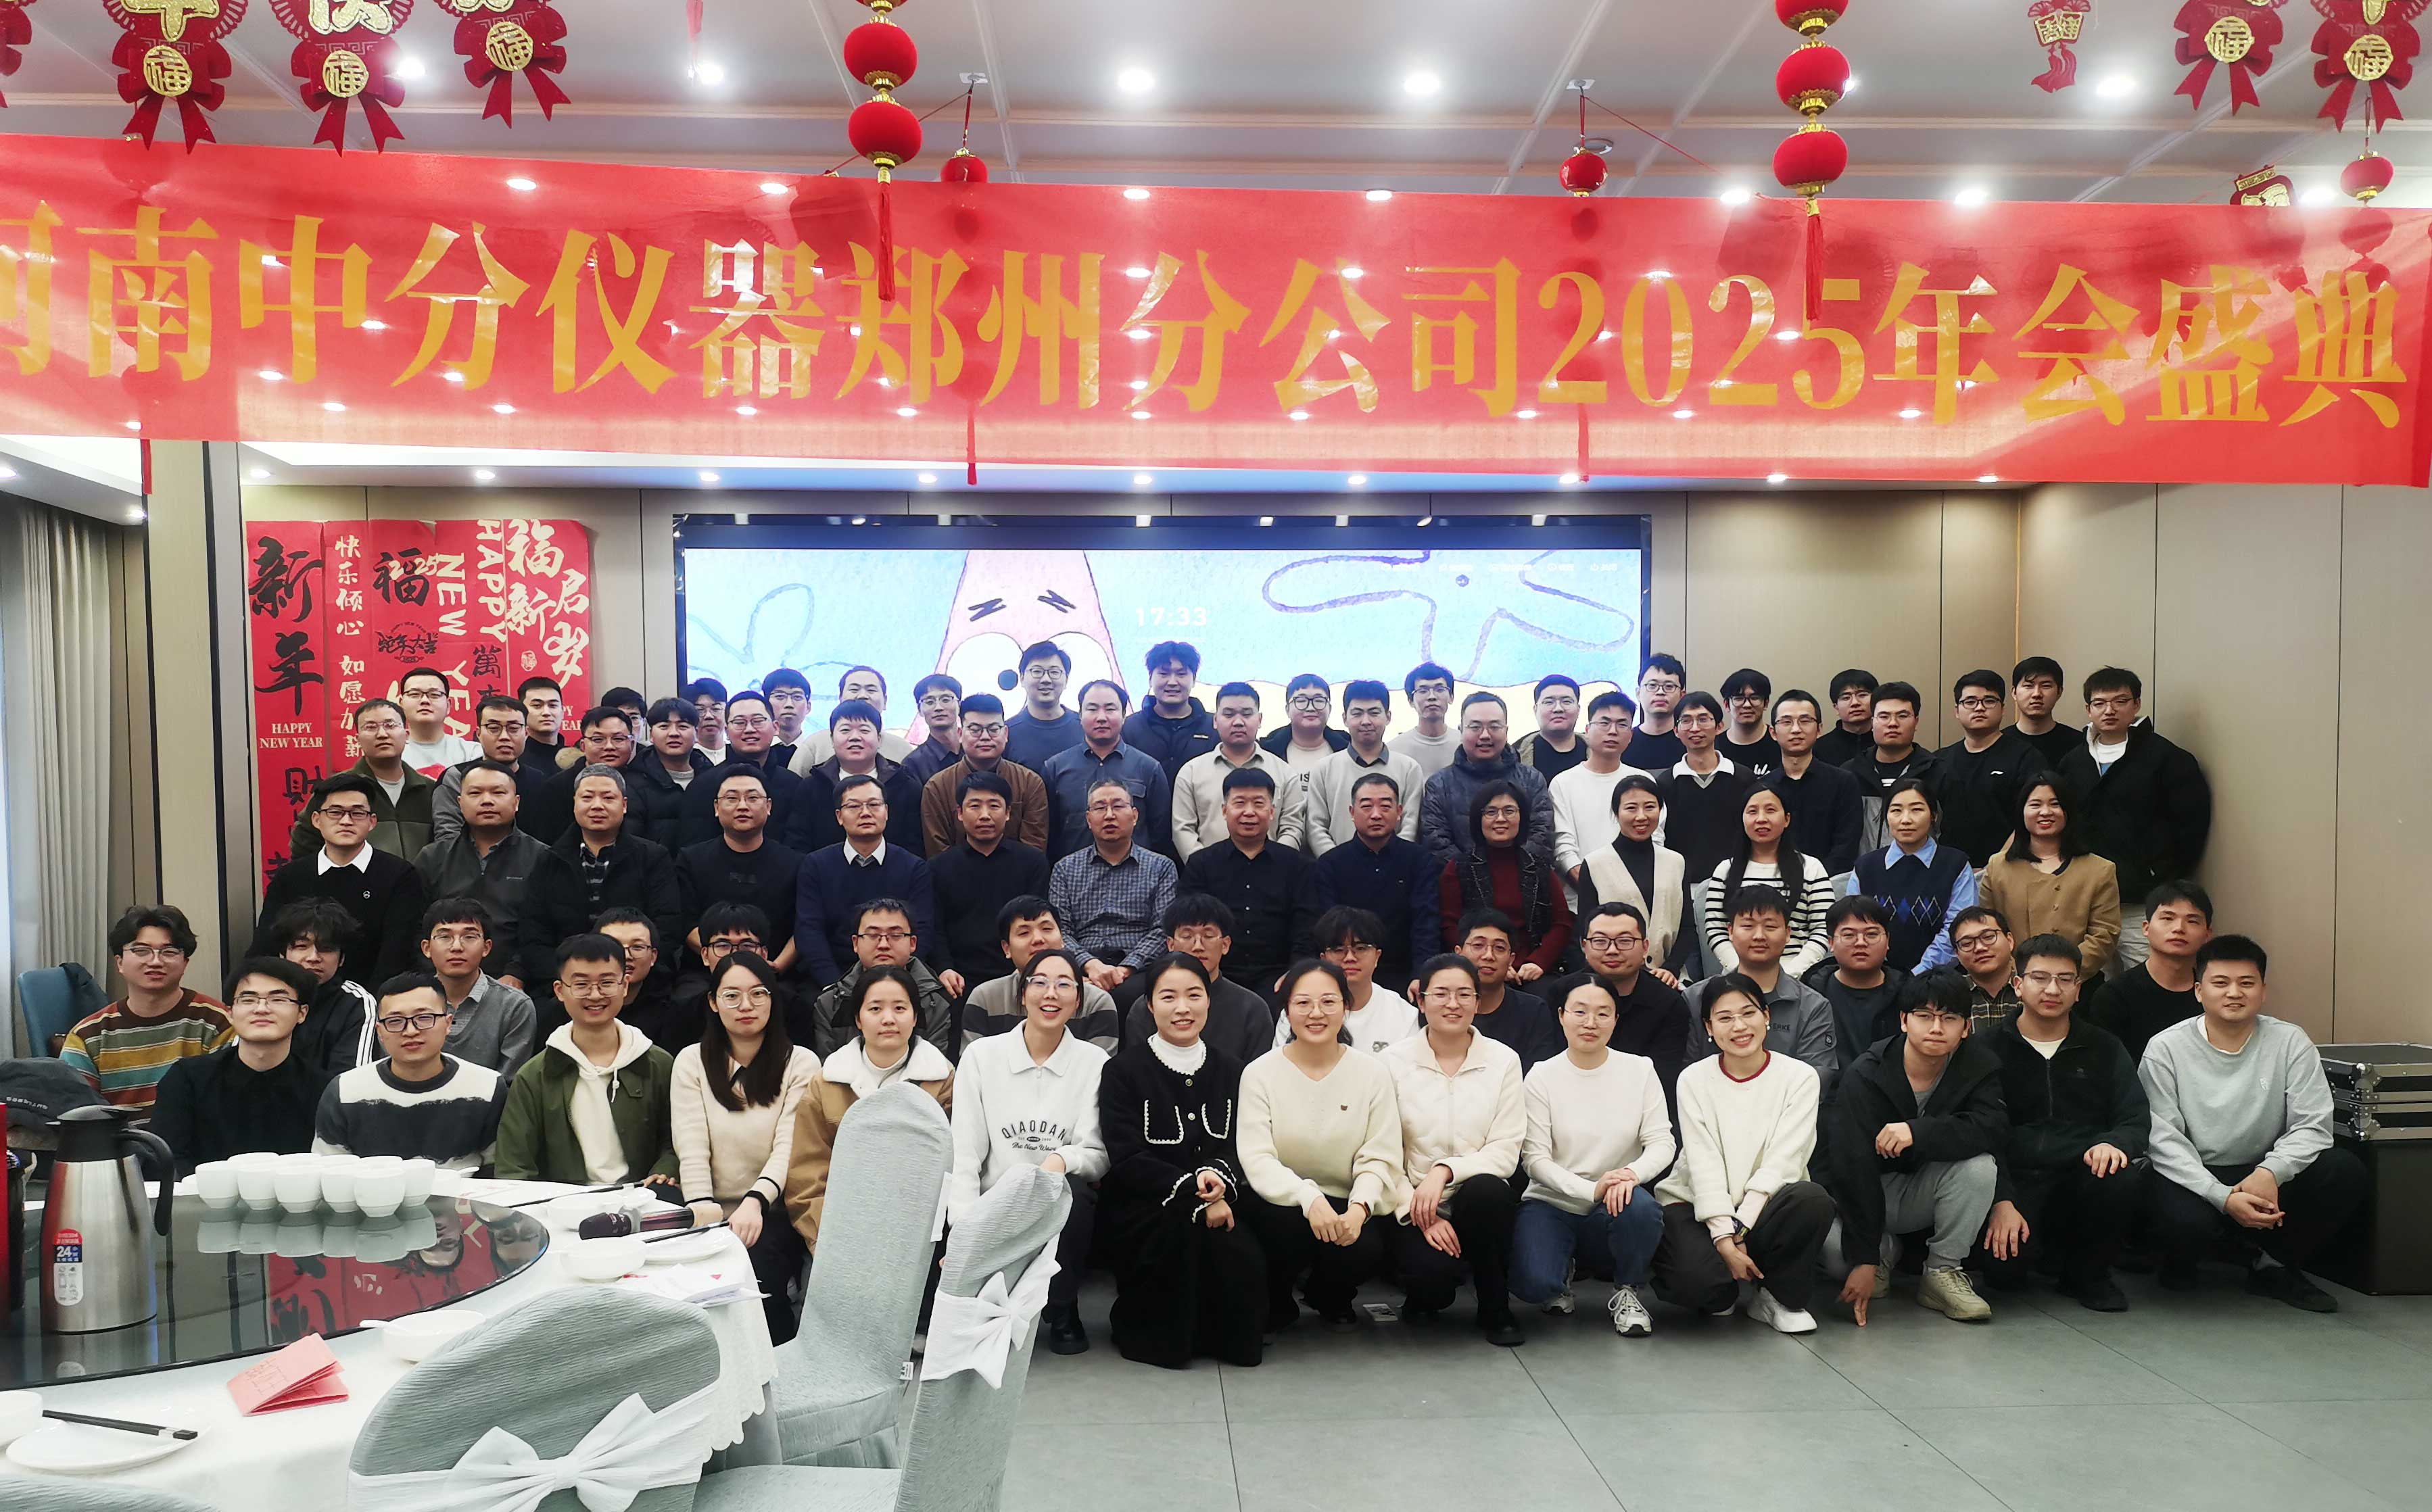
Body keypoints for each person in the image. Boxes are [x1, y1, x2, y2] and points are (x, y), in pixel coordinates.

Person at [2141, 935, 2366, 1312]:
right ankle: (2190, 1257)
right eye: (2220, 983)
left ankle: (2273, 1266)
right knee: (2182, 1220)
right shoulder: (2165, 1048)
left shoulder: (2290, 1041)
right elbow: (2162, 1137)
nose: (2234, 993)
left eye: (2247, 983)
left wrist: (2270, 1172)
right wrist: (2221, 1196)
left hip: (2262, 1171)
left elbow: (2313, 1124)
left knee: (2343, 1170)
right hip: (2195, 1172)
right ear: (2198, 991)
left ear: (2263, 991)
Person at [1096, 951, 1268, 1369]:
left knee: (1238, 1248)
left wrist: (1216, 1186)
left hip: (1223, 1194)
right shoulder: (1122, 1071)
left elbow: (1240, 1143)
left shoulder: (1233, 1070)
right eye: (1168, 997)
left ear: (1209, 1000)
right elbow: (1126, 1155)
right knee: (1179, 1239)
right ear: (1149, 1005)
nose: (1183, 1008)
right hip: (1146, 1203)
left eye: (1194, 995)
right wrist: (1193, 1192)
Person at [1650, 974, 1834, 1334]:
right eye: (1725, 1018)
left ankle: (1777, 1297)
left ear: (1766, 1016)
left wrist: (1740, 1227)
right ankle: (1721, 1287)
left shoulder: (1800, 1077)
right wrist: (1724, 1237)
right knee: (1704, 1288)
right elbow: (1703, 1164)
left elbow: (1784, 1161)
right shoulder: (1693, 1079)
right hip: (1696, 1202)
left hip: (1767, 1204)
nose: (1739, 1026)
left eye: (1748, 1013)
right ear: (1709, 1028)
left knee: (1812, 1199)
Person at [948, 946, 1110, 1355]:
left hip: (1055, 1192)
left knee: (1080, 1197)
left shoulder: (1094, 1062)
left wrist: (1060, 1160)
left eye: (1064, 985)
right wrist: (960, 1231)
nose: (1050, 994)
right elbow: (965, 1152)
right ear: (1023, 995)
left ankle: (1063, 1306)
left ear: (1079, 1001)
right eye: (1039, 983)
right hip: (994, 1195)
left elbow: (1096, 1153)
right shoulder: (981, 1056)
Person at [1982, 935, 2147, 1312]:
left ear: (2078, 989)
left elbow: (2135, 1117)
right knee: (2004, 1276)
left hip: (2082, 1175)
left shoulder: (2105, 1047)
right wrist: (2001, 1198)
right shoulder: (1987, 1049)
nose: (2053, 990)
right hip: (2015, 1180)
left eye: (2065, 979)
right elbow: (1977, 1131)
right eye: (2040, 978)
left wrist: (2114, 1143)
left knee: (2120, 1176)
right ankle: (2043, 1255)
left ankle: (2089, 1276)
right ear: (2018, 984)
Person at [1826, 974, 2004, 1325]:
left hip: (1922, 1189)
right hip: (1867, 1192)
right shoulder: (1867, 1072)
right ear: (1904, 1021)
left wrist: (1918, 1132)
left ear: (1966, 1028)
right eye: (1924, 1016)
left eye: (1949, 1018)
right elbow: (1852, 1166)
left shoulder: (1978, 1064)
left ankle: (1942, 1271)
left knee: (1981, 1167)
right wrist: (1866, 1258)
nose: (1936, 1028)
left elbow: (1992, 1127)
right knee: (1839, 1262)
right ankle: (1883, 1252)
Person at [1239, 958, 1405, 1331]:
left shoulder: (1372, 1073)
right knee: (1278, 1228)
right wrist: (1309, 1198)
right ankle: (1277, 1297)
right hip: (1282, 1200)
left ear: (1346, 1008)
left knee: (1365, 1246)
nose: (1316, 1013)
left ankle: (1330, 1294)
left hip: (1346, 1197)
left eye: (1329, 1002)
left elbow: (1380, 1154)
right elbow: (1257, 1157)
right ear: (1287, 1011)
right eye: (1303, 1003)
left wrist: (1360, 1208)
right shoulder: (1259, 1073)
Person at [1511, 977, 1675, 1336]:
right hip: (1552, 1202)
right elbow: (1534, 1159)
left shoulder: (1640, 1070)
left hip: (1618, 1198)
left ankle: (1628, 1289)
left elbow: (1662, 1141)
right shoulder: (1541, 1076)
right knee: (1534, 1285)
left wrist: (1630, 1176)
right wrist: (1591, 1190)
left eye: (1603, 1013)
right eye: (1580, 1012)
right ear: (1561, 1016)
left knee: (1642, 1210)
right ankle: (1560, 1272)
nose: (1591, 1023)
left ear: (1616, 1019)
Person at [671, 950, 819, 1342]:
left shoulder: (801, 1063)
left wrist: (755, 1201)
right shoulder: (690, 1061)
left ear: (773, 999)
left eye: (758, 994)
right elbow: (691, 1141)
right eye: (732, 996)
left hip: (772, 1209)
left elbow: (789, 1146)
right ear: (713, 1002)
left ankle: (776, 1360)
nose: (746, 1006)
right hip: (707, 1204)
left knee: (757, 1282)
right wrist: (700, 1204)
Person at [1381, 954, 1527, 1344]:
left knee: (1488, 1191)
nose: (1453, 1004)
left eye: (1464, 994)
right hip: (1413, 1202)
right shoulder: (1392, 1062)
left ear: (1478, 1003)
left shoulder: (1503, 1060)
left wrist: (1444, 1171)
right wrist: (1418, 1211)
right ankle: (1424, 1295)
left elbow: (1506, 1149)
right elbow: (1381, 1151)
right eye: (1441, 994)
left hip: (1476, 1198)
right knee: (1431, 1279)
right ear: (1420, 1000)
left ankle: (1495, 1305)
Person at [786, 963, 957, 1257]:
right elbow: (808, 1174)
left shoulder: (942, 1080)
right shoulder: (827, 1082)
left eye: (900, 1008)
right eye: (875, 1009)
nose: (888, 1019)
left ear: (915, 1017)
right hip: (841, 1230)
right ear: (858, 1019)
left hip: (918, 1232)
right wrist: (828, 1239)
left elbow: (951, 1170)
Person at [494, 934, 682, 1190]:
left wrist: (664, 1171)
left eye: (607, 983)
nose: (595, 995)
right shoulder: (535, 1075)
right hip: (563, 1206)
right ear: (559, 991)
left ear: (624, 986)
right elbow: (514, 1167)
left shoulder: (658, 1064)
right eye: (581, 984)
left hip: (644, 1200)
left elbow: (678, 1140)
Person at [2055, 668, 2211, 973]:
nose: (2109, 710)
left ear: (2136, 705)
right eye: (2100, 703)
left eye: (2120, 701)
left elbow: (2191, 827)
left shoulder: (2167, 758)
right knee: (2087, 983)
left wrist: (2159, 874)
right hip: (2084, 901)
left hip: (2141, 901)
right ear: (2088, 709)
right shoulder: (2072, 762)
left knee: (2147, 979)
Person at [313, 971, 509, 1170]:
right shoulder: (345, 1090)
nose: (411, 1031)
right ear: (380, 1032)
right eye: (395, 1021)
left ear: (448, 1023)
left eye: (424, 1018)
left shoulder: (488, 1087)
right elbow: (330, 1172)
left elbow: (500, 1172)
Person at [150, 958, 327, 1175]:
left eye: (278, 999)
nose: (261, 1009)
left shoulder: (325, 1089)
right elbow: (168, 1161)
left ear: (302, 1013)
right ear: (230, 1012)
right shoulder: (187, 1079)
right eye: (248, 999)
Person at [517, 765, 684, 994]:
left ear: (624, 805)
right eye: (587, 798)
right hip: (564, 986)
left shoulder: (653, 857)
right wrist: (572, 978)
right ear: (574, 803)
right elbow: (534, 934)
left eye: (608, 798)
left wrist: (623, 975)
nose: (597, 805)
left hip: (640, 986)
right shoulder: (549, 860)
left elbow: (667, 926)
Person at [257, 773, 430, 990]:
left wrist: (369, 1003)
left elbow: (398, 953)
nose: (346, 821)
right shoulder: (290, 877)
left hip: (374, 998)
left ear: (372, 822)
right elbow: (266, 946)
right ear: (316, 820)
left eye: (357, 813)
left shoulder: (400, 875)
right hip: (299, 995)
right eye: (335, 812)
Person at [61, 905, 232, 1111]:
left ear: (185, 963)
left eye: (169, 951)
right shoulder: (87, 1036)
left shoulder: (217, 1023)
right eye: (141, 951)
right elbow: (76, 1114)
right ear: (120, 963)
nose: (156, 961)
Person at [1683, 887, 1839, 1090]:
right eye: (1748, 926)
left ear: (1788, 933)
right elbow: (1686, 1075)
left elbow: (1815, 1081)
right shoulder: (1696, 998)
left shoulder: (1812, 1006)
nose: (1759, 936)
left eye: (1770, 926)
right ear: (1730, 931)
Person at [1183, 767, 1320, 995]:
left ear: (1272, 812)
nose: (1249, 812)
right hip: (1215, 974)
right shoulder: (1201, 865)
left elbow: (1306, 926)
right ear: (1225, 810)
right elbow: (1189, 925)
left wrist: (1296, 972)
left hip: (1278, 975)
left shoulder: (1299, 866)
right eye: (1239, 803)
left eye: (1258, 804)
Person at [794, 773, 938, 990]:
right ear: (839, 816)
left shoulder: (914, 867)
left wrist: (896, 981)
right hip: (834, 977)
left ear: (886, 812)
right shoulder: (815, 865)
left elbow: (923, 931)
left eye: (874, 805)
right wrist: (834, 986)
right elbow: (809, 930)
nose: (865, 813)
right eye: (854, 806)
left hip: (900, 977)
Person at [1542, 903, 1693, 1107]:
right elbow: (1551, 1067)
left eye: (1625, 941)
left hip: (1639, 1109)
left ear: (1645, 947)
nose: (1612, 950)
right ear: (1584, 947)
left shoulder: (1668, 1003)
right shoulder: (1561, 994)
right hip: (1566, 1104)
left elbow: (1662, 1082)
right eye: (1600, 941)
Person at [1979, 776, 2122, 977]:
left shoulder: (2100, 869)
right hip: (2012, 980)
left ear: (2068, 811)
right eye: (2035, 805)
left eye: (2055, 804)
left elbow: (2105, 934)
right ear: (2022, 812)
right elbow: (1987, 928)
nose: (2045, 812)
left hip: (2075, 981)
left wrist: (2061, 974)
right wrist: (2019, 974)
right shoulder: (1998, 866)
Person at [1048, 778, 1179, 993]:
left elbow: (1162, 930)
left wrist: (1125, 969)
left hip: (1140, 969)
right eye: (1100, 808)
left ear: (1134, 816)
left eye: (1118, 806)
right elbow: (1059, 931)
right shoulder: (1065, 869)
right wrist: (1090, 965)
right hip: (1081, 967)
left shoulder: (1161, 867)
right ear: (1088, 819)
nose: (1109, 815)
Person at [415, 759, 548, 971]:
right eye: (475, 793)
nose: (487, 801)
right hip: (442, 977)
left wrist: (518, 973)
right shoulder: (433, 857)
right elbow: (415, 929)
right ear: (460, 803)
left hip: (517, 980)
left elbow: (546, 931)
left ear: (516, 802)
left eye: (498, 793)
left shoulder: (542, 857)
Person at [926, 769, 1051, 992]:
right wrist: (944, 968)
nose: (985, 815)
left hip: (1020, 973)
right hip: (958, 978)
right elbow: (936, 928)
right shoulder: (938, 867)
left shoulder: (1033, 862)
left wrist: (1026, 968)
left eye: (994, 806)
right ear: (960, 813)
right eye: (974, 806)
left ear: (1008, 813)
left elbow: (1037, 925)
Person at [1308, 772, 1438, 986]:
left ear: (1399, 812)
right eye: (1367, 806)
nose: (1376, 815)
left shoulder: (1420, 860)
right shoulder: (1330, 863)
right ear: (1352, 812)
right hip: (1347, 972)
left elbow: (1426, 922)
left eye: (1385, 807)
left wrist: (1421, 974)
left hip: (1405, 972)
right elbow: (1327, 929)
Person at [1120, 895, 1284, 1064]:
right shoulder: (1146, 1007)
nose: (1198, 946)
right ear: (1171, 945)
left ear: (1225, 945)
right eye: (1187, 936)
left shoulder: (1252, 1009)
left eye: (1208, 935)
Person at [675, 768, 805, 975]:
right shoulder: (691, 860)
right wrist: (725, 961)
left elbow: (804, 926)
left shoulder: (796, 864)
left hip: (776, 972)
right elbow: (685, 924)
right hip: (705, 972)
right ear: (716, 807)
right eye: (732, 798)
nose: (743, 806)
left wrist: (778, 965)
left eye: (752, 798)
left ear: (768, 806)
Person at [1702, 781, 1835, 978]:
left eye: (1770, 810)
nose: (1761, 819)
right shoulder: (1726, 870)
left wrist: (1789, 975)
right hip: (1737, 976)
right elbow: (1716, 928)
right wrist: (1741, 971)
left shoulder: (1811, 868)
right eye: (1752, 812)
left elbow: (1823, 928)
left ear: (1787, 819)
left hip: (1797, 976)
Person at [1844, 779, 1977, 974]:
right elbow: (1855, 926)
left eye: (1916, 810)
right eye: (1896, 811)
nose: (1905, 820)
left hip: (1940, 979)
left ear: (1934, 816)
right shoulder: (1866, 867)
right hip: (1875, 977)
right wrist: (1884, 975)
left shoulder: (1955, 865)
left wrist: (1920, 972)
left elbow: (1959, 927)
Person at [1441, 781, 1571, 979]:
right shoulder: (1459, 867)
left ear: (1522, 817)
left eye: (1509, 811)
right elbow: (1449, 925)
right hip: (1477, 970)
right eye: (1491, 812)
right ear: (1478, 819)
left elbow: (1562, 923)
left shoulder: (1539, 868)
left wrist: (1538, 962)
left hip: (1531, 971)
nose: (1501, 819)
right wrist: (1488, 964)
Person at [961, 895, 1125, 1049]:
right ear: (1007, 948)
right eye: (1024, 933)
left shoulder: (1095, 1002)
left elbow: (1100, 1067)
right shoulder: (985, 999)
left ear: (1063, 939)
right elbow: (972, 1064)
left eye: (1047, 929)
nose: (1038, 939)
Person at [1573, 775, 1695, 976]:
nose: (1641, 816)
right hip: (1611, 978)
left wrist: (1670, 970)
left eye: (1650, 807)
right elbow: (1585, 931)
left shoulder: (1676, 862)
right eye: (1631, 808)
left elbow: (1687, 928)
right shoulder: (1595, 864)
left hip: (1669, 978)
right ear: (1616, 812)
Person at [1042, 680, 1174, 862]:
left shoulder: (1148, 768)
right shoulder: (1055, 768)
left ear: (1124, 715)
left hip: (1137, 874)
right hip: (1074, 875)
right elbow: (1049, 833)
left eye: (1110, 709)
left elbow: (1161, 835)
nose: (1101, 717)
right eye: (1092, 709)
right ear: (1080, 715)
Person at [1420, 691, 1554, 871]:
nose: (1485, 735)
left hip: (1524, 880)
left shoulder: (1531, 779)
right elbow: (1436, 844)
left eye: (1494, 727)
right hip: (1460, 882)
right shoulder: (1439, 784)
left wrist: (1510, 873)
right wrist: (1476, 877)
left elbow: (1542, 837)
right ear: (1461, 730)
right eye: (1475, 727)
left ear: (1506, 731)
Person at [1548, 690, 1659, 908]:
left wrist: (1630, 889)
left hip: (1638, 899)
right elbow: (1563, 847)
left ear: (1631, 734)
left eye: (1622, 724)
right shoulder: (1563, 782)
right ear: (1587, 730)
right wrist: (1595, 888)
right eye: (1604, 723)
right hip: (1580, 903)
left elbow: (1655, 839)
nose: (1613, 731)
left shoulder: (1643, 781)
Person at [809, 898, 959, 1056]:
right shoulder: (831, 1003)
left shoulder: (938, 1002)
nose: (883, 945)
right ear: (856, 943)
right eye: (873, 935)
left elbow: (939, 1066)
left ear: (912, 943)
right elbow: (828, 1066)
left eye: (895, 935)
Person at [1172, 683, 1307, 860]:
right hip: (1210, 873)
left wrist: (1274, 866)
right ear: (1215, 721)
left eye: (1246, 714)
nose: (1238, 722)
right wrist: (1206, 869)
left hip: (1272, 872)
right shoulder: (1190, 773)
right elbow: (1183, 829)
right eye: (1229, 714)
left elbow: (1293, 827)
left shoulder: (1284, 773)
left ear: (1260, 720)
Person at [1929, 669, 2048, 868]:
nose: (1979, 708)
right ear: (1957, 711)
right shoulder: (1939, 760)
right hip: (1948, 870)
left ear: (2003, 709)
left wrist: (1994, 868)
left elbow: (2032, 818)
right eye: (1970, 702)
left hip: (2011, 868)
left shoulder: (2026, 757)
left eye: (1989, 701)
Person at [2088, 880, 2213, 1060]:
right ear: (2146, 928)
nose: (2179, 928)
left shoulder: (2214, 995)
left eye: (2192, 921)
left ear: (2207, 935)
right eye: (2168, 918)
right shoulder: (2113, 996)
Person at [297, 702, 439, 860]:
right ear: (357, 739)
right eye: (371, 727)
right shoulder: (336, 789)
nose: (382, 734)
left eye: (390, 725)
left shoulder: (431, 790)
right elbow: (304, 844)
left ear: (406, 735)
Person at [1803, 896, 1926, 1073]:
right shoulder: (1810, 994)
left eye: (1872, 934)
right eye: (1849, 935)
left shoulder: (1911, 995)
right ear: (1831, 943)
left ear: (1888, 941)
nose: (1861, 942)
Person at [1303, 680, 1425, 857]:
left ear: (1388, 717)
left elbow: (1410, 826)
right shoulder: (1323, 769)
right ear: (1345, 718)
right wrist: (1336, 864)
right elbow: (1316, 827)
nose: (1366, 721)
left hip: (1396, 868)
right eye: (1357, 714)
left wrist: (1392, 864)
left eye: (1374, 713)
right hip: (1337, 869)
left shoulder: (1409, 769)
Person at [918, 693, 1050, 856]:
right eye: (975, 730)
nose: (986, 737)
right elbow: (938, 852)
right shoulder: (937, 787)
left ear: (1006, 734)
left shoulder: (1030, 783)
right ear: (960, 734)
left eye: (994, 730)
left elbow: (1034, 850)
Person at [418, 899, 537, 1079]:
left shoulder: (514, 1006)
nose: (457, 947)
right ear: (427, 948)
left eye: (469, 937)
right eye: (445, 937)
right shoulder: (407, 1004)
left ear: (486, 947)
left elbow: (509, 1083)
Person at [678, 692, 809, 850]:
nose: (749, 729)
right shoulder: (703, 786)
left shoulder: (794, 785)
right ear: (726, 731)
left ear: (775, 727)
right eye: (739, 722)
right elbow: (694, 850)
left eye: (758, 721)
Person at [263, 899, 379, 1075]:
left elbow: (351, 1081)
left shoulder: (356, 1002)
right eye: (302, 946)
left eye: (326, 948)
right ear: (282, 955)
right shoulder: (262, 997)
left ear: (341, 959)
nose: (313, 958)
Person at [794, 700, 925, 854]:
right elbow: (798, 844)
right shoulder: (811, 788)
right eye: (845, 730)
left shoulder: (906, 787)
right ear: (832, 739)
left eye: (864, 730)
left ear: (879, 739)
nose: (855, 737)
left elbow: (916, 847)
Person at [1655, 691, 1754, 885]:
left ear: (1719, 726)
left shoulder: (1744, 778)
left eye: (1703, 719)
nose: (1695, 728)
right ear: (1676, 731)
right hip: (1680, 884)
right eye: (1686, 721)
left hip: (1736, 883)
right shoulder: (1665, 783)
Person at [429, 695, 551, 849]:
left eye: (514, 729)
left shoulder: (539, 780)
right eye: (494, 728)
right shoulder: (456, 777)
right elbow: (447, 840)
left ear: (526, 733)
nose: (504, 737)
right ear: (478, 733)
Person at [1765, 689, 1862, 874]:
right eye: (1786, 722)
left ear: (1819, 729)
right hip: (1773, 883)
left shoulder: (1844, 782)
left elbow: (1847, 845)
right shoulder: (1763, 787)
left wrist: (1816, 881)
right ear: (1773, 732)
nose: (1796, 729)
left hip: (1830, 883)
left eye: (1805, 721)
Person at [1452, 910, 1563, 1069]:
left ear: (1511, 960)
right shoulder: (1443, 1007)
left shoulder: (1533, 1011)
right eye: (1478, 945)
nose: (1488, 956)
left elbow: (1537, 1074)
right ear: (1459, 953)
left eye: (1499, 948)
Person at [522, 706, 639, 846]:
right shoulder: (556, 788)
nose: (609, 746)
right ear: (583, 746)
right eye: (598, 739)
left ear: (632, 744)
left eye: (618, 739)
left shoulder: (644, 783)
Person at [1842, 680, 1934, 854]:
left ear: (1916, 721)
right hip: (1861, 869)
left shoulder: (1936, 772)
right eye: (1884, 716)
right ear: (1872, 722)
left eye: (1902, 716)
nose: (1893, 723)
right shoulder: (1849, 774)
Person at [1122, 639, 1219, 781]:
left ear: (1194, 680)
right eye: (1164, 674)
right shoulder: (1129, 728)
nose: (1172, 682)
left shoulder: (1214, 727)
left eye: (1181, 674)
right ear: (1150, 679)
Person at [787, 666, 917, 771]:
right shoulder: (815, 745)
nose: (862, 696)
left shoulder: (902, 749)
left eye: (871, 690)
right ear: (840, 698)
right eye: (854, 690)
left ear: (885, 701)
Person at [625, 698, 712, 852]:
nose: (674, 733)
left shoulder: (712, 778)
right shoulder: (633, 782)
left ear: (697, 734)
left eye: (683, 726)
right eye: (664, 726)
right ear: (651, 735)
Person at [594, 909, 684, 1053]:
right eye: (614, 946)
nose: (626, 956)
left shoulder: (675, 1011)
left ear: (653, 957)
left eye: (637, 947)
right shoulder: (571, 1005)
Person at [1262, 672, 1349, 811]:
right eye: (1301, 700)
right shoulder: (1267, 753)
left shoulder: (1347, 750)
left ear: (1330, 709)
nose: (1311, 707)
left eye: (1319, 700)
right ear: (1287, 709)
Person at [1003, 640, 1086, 771]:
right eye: (1037, 671)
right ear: (1022, 678)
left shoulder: (1085, 727)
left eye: (1054, 672)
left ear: (1066, 680)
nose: (1046, 680)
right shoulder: (1007, 734)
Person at [1948, 905, 2023, 1034]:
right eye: (1967, 943)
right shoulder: (1949, 997)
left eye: (1988, 937)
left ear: (2010, 941)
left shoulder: (2034, 989)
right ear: (1957, 954)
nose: (1979, 948)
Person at [395, 666, 481, 775]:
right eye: (415, 694)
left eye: (434, 695)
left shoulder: (472, 754)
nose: (425, 701)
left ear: (448, 705)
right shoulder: (388, 754)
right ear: (401, 704)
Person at [1389, 661, 1461, 780]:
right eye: (1423, 691)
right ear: (1411, 701)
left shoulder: (1465, 745)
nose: (1432, 697)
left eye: (1440, 689)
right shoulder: (1394, 751)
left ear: (1451, 697)